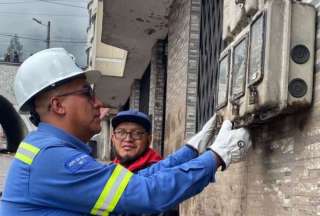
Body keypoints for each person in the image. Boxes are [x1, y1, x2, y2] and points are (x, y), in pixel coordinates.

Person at [0, 48, 252, 216]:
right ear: (57, 105)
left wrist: (191, 152)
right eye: (87, 93)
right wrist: (216, 156)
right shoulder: (53, 158)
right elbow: (147, 193)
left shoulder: (46, 148)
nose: (98, 102)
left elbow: (138, 180)